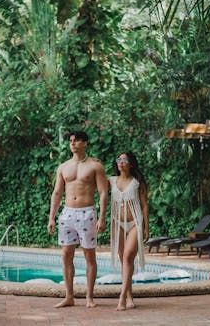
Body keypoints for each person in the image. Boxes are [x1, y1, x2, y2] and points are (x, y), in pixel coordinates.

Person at [47, 130, 108, 308]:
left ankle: (89, 297)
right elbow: (57, 193)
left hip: (86, 213)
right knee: (66, 255)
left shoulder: (95, 166)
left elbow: (103, 192)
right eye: (71, 140)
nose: (73, 143)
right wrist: (52, 217)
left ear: (85, 143)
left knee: (89, 255)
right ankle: (69, 296)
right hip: (67, 214)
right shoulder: (63, 167)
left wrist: (102, 217)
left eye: (77, 140)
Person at [108, 151, 149, 311]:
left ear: (131, 164)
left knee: (127, 257)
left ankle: (122, 298)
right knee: (125, 261)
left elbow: (145, 206)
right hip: (117, 223)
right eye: (119, 159)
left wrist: (146, 227)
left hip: (135, 223)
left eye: (124, 160)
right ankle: (130, 296)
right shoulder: (110, 181)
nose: (121, 162)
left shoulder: (138, 182)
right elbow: (95, 182)